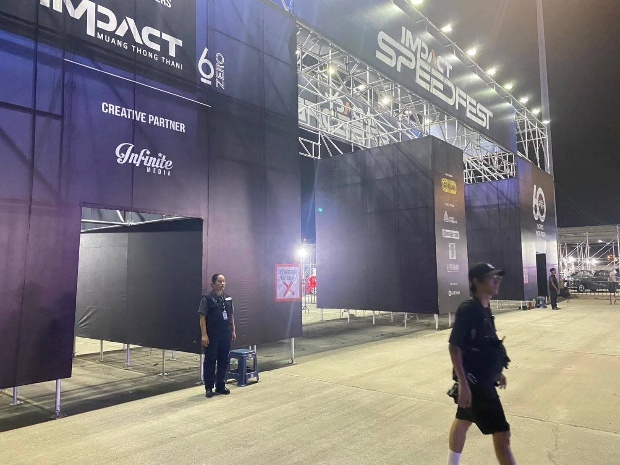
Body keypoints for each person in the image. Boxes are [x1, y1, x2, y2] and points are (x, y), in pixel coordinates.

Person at [447, 263, 515, 465]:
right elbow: (454, 346)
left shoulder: (484, 307)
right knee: (502, 433)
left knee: (463, 421)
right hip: (476, 383)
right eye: (492, 277)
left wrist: (497, 370)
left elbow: (486, 343)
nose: (497, 280)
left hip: (482, 378)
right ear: (476, 281)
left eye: (498, 276)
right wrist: (464, 384)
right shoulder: (469, 309)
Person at [198, 273, 237, 398]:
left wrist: (233, 330)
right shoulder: (207, 299)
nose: (222, 283)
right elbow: (202, 317)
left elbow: (231, 315)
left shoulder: (228, 298)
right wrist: (204, 335)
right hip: (212, 335)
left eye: (224, 281)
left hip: (225, 334)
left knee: (223, 360)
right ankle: (209, 387)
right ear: (213, 284)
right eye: (220, 281)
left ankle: (220, 385)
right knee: (210, 360)